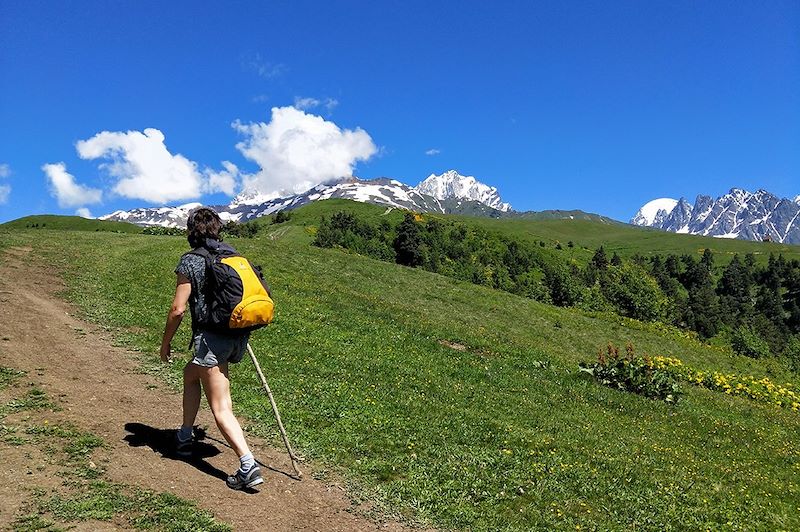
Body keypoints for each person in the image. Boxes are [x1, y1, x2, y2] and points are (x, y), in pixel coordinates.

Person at [159, 206, 263, 490]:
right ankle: (184, 434)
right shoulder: (232, 255)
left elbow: (178, 309)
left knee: (221, 406)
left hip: (212, 338)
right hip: (237, 337)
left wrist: (166, 342)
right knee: (190, 374)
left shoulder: (190, 261)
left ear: (191, 231)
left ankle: (247, 465)